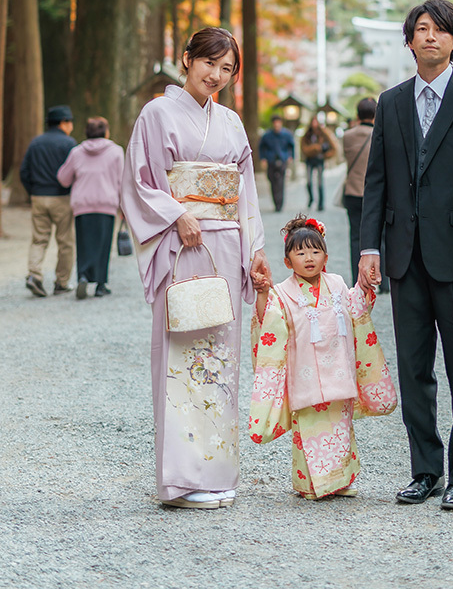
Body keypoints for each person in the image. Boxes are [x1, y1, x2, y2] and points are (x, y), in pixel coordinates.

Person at [359, 0, 453, 511]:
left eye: (441, 30)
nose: (430, 36)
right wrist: (370, 247)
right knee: (414, 369)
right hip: (404, 257)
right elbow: (376, 181)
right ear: (409, 40)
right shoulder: (391, 102)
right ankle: (425, 470)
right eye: (421, 29)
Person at [121, 27, 272, 510]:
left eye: (227, 69)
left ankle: (216, 471)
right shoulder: (157, 113)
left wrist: (255, 247)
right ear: (187, 59)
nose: (216, 75)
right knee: (183, 353)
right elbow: (139, 181)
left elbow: (245, 190)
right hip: (182, 243)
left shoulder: (230, 121)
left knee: (220, 358)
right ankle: (181, 480)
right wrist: (175, 214)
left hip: (225, 245)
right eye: (209, 63)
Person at [249, 215, 396, 499]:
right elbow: (269, 325)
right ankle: (311, 485)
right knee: (310, 430)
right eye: (300, 253)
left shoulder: (337, 284)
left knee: (340, 428)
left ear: (325, 257)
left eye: (315, 251)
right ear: (287, 261)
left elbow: (357, 310)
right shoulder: (282, 293)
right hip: (304, 374)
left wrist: (365, 287)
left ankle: (341, 481)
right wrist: (263, 293)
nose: (309, 258)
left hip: (338, 370)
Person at [56, 116, 124, 299]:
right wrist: (123, 207)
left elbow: (63, 178)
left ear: (87, 132)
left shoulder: (77, 152)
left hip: (83, 205)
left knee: (84, 243)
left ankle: (83, 276)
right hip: (106, 204)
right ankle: (101, 284)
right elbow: (121, 181)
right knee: (103, 244)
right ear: (106, 132)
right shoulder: (116, 151)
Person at [20, 105, 77, 298]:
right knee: (65, 242)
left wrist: (33, 191)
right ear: (63, 123)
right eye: (70, 122)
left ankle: (34, 275)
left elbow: (24, 171)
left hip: (38, 196)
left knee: (39, 239)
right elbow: (75, 171)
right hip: (61, 197)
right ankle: (61, 282)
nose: (71, 126)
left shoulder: (36, 142)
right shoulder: (69, 144)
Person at [342, 97, 377, 284]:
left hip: (353, 191)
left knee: (355, 236)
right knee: (381, 236)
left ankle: (357, 278)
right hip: (375, 194)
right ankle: (383, 280)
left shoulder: (347, 136)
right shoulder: (380, 134)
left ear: (357, 114)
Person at [300, 115, 337, 211]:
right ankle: (311, 198)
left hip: (320, 160)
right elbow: (304, 148)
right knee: (309, 182)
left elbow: (333, 147)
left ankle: (321, 203)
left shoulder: (324, 133)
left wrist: (325, 155)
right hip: (310, 160)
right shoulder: (307, 134)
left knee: (320, 183)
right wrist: (315, 148)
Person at [259, 114, 295, 212]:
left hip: (282, 159)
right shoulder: (267, 135)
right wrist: (263, 158)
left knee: (281, 182)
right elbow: (262, 147)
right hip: (271, 160)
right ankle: (275, 201)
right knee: (272, 180)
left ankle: (280, 203)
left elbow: (291, 146)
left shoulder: (286, 134)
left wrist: (290, 156)